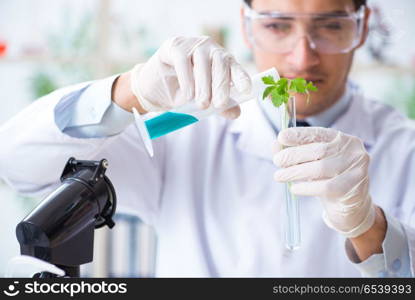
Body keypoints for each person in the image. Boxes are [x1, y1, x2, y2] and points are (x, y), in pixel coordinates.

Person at [0, 0, 414, 277]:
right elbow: (17, 165)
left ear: (361, 29)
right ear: (247, 29)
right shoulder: (184, 133)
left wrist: (368, 226)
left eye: (333, 26)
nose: (303, 56)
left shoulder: (404, 148)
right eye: (276, 25)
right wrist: (129, 90)